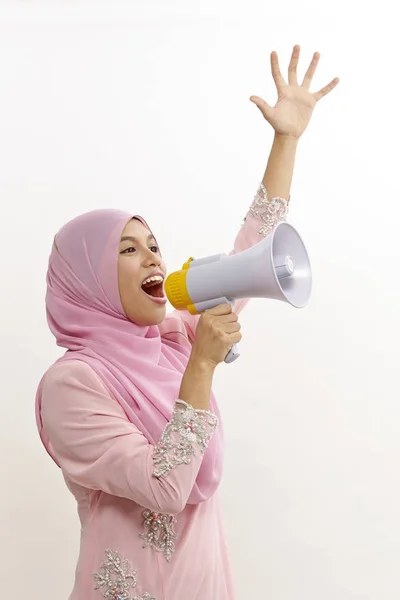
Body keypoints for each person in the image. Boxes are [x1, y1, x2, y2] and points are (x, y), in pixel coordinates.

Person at [35, 46, 338, 600]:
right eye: (127, 250)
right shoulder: (72, 383)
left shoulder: (173, 339)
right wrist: (202, 366)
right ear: (89, 278)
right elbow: (164, 485)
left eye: (154, 244)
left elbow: (255, 248)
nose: (153, 257)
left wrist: (286, 139)